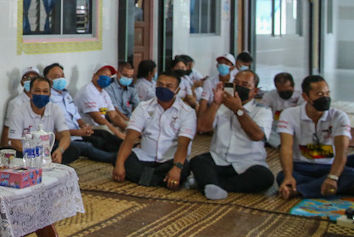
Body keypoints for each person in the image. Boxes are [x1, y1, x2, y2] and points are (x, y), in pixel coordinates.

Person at [193, 70, 275, 199]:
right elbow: (203, 128)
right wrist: (215, 103)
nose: (239, 86)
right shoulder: (221, 106)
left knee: (265, 178)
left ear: (254, 91)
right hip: (218, 159)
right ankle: (211, 183)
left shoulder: (262, 111)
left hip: (248, 163)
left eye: (245, 84)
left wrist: (238, 110)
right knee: (198, 161)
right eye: (236, 83)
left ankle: (213, 184)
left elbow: (257, 136)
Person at [113, 70, 196, 188]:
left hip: (170, 161)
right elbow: (130, 138)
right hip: (144, 158)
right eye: (160, 85)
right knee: (120, 159)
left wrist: (176, 168)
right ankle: (159, 180)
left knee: (184, 167)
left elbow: (183, 144)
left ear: (177, 90)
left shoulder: (187, 112)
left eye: (169, 86)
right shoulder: (143, 107)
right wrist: (119, 164)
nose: (163, 88)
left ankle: (146, 179)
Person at [277, 75, 354, 199]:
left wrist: (332, 177)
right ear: (305, 96)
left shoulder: (339, 116)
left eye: (327, 93)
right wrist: (288, 176)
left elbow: (342, 152)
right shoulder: (289, 114)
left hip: (329, 166)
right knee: (281, 177)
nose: (325, 98)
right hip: (301, 167)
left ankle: (299, 191)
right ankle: (325, 187)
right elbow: (286, 148)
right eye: (319, 94)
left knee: (350, 175)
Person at [45, 63, 114, 163]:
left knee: (103, 135)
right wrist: (78, 132)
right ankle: (113, 158)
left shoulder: (66, 94)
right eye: (57, 77)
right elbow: (54, 130)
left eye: (62, 76)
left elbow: (76, 117)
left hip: (79, 133)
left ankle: (126, 151)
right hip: (65, 137)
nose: (61, 79)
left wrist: (85, 126)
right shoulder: (48, 98)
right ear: (48, 79)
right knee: (86, 146)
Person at [3, 76, 74, 164]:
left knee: (74, 149)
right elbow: (14, 141)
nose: (41, 94)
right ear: (30, 93)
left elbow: (66, 136)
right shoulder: (18, 112)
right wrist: (35, 154)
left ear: (50, 94)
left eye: (45, 91)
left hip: (48, 151)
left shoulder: (55, 109)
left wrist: (60, 151)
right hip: (25, 152)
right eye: (37, 91)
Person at [74, 63, 128, 138]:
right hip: (89, 128)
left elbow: (114, 115)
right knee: (108, 129)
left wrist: (127, 129)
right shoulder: (87, 91)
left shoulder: (104, 93)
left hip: (101, 126)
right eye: (104, 75)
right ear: (94, 76)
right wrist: (118, 134)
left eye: (109, 76)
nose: (107, 78)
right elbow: (97, 118)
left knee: (127, 125)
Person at [260, 72, 300, 148]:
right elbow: (262, 110)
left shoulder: (301, 95)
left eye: (287, 90)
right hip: (276, 126)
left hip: (295, 126)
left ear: (293, 86)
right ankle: (281, 145)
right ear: (276, 87)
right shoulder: (269, 95)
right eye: (281, 91)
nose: (284, 93)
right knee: (262, 129)